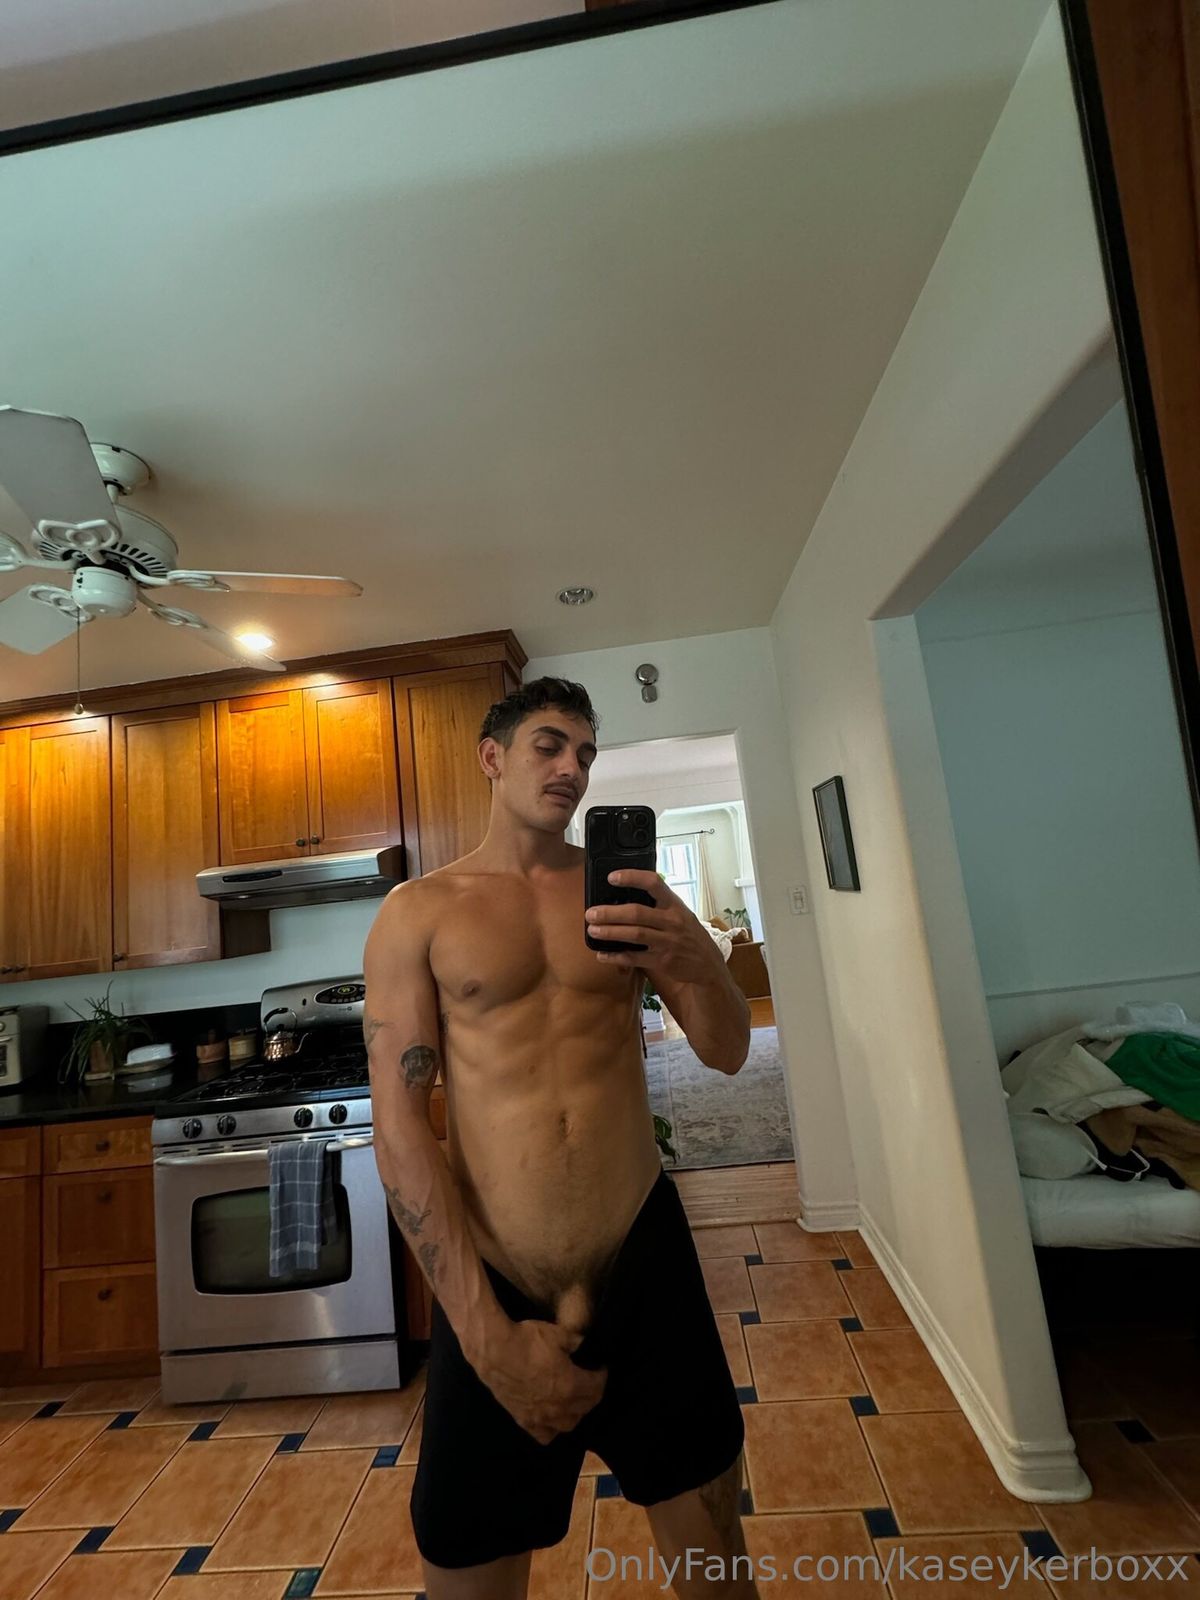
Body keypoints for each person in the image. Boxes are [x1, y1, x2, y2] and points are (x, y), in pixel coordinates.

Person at [363, 676, 759, 1600]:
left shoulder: (626, 895)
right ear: (493, 757)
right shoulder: (419, 912)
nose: (572, 768)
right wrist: (487, 1339)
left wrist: (697, 957)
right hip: (495, 1278)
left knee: (717, 1572)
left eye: (585, 753)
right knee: (468, 1581)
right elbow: (400, 1123)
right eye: (549, 745)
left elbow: (729, 1049)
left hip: (642, 1257)